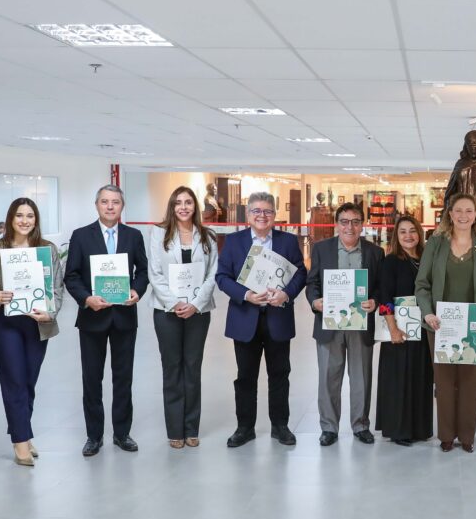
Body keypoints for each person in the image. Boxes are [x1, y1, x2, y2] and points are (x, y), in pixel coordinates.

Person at [216, 192, 307, 448]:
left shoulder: (288, 241)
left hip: (278, 318)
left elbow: (301, 273)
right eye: (256, 210)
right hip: (245, 318)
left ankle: (280, 426)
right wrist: (246, 295)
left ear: (275, 214)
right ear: (248, 214)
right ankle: (245, 428)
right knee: (245, 377)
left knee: (279, 374)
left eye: (267, 211)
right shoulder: (234, 242)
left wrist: (286, 294)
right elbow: (222, 277)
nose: (262, 216)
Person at [64, 185, 149, 456]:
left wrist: (137, 290)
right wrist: (86, 298)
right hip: (92, 317)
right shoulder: (81, 236)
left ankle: (122, 433)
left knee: (123, 378)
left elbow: (143, 271)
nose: (110, 206)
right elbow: (71, 276)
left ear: (122, 206)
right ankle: (94, 435)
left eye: (115, 202)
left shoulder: (133, 236)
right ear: (96, 205)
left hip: (124, 316)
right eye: (104, 202)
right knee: (92, 379)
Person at [0, 198, 64, 466]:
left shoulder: (47, 249)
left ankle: (22, 431)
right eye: (19, 215)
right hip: (5, 323)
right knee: (13, 380)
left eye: (30, 216)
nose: (24, 221)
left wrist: (51, 312)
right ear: (10, 218)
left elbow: (57, 287)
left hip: (38, 323)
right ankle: (20, 441)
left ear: (36, 220)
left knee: (28, 381)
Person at [415, 193, 476, 453]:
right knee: (444, 381)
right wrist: (427, 313)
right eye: (458, 210)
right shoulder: (436, 242)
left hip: (474, 326)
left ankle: (467, 436)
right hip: (440, 325)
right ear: (449, 214)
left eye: (469, 210)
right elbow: (422, 284)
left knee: (470, 382)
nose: (463, 215)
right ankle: (446, 435)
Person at [306, 202, 384, 446]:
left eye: (355, 222)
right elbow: (312, 282)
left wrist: (375, 301)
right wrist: (315, 301)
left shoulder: (375, 252)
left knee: (361, 378)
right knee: (329, 377)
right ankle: (329, 428)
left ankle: (360, 425)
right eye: (345, 222)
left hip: (361, 324)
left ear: (362, 225)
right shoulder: (321, 249)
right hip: (329, 324)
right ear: (337, 224)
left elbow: (380, 286)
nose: (350, 227)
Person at [148, 186, 218, 449]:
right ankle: (175, 430)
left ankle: (191, 428)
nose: (183, 207)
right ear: (172, 206)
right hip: (167, 310)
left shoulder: (207, 236)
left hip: (198, 312)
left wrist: (195, 304)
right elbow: (155, 273)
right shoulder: (158, 233)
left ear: (194, 206)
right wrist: (175, 303)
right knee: (172, 368)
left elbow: (212, 274)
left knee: (192, 367)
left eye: (188, 202)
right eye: (178, 203)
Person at [374, 216, 433, 446]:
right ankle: (399, 430)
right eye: (402, 232)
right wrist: (393, 329)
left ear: (420, 233)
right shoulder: (390, 262)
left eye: (412, 231)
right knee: (398, 380)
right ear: (396, 237)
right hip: (400, 330)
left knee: (420, 377)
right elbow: (384, 297)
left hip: (423, 329)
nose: (408, 236)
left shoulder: (427, 260)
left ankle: (419, 428)